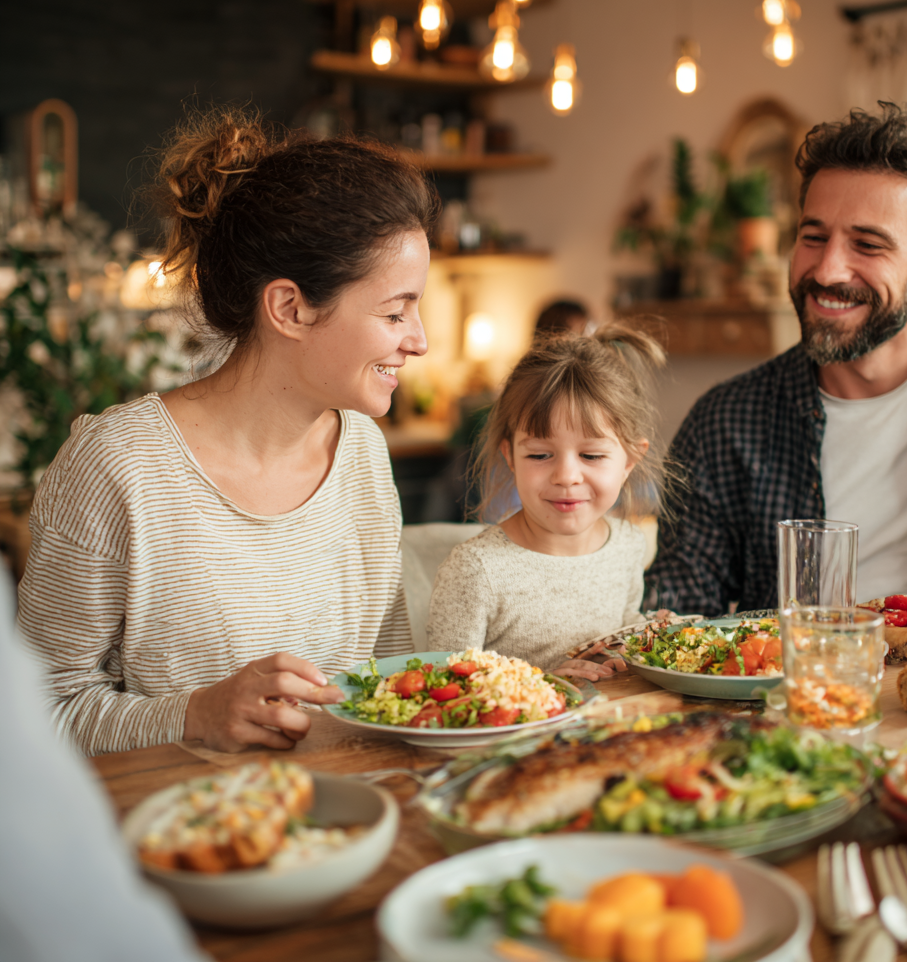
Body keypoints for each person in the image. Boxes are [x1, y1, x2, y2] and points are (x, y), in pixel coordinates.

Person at [17, 108, 437, 755]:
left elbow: (388, 678)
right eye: (395, 312)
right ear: (290, 308)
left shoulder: (361, 452)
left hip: (352, 827)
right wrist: (194, 715)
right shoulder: (117, 466)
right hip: (177, 843)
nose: (420, 340)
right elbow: (30, 716)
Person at [648, 102, 907, 616]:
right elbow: (676, 611)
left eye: (867, 245)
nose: (827, 270)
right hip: (805, 690)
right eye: (813, 237)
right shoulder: (725, 423)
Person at [427, 324, 668, 679]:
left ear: (629, 461)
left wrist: (644, 635)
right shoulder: (477, 570)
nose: (566, 476)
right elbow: (444, 685)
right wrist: (542, 683)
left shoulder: (628, 545)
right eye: (540, 455)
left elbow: (620, 632)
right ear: (510, 456)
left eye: (591, 455)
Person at [0, 571, 208, 962]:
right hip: (162, 857)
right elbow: (51, 708)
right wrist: (194, 714)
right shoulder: (104, 508)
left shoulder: (359, 509)